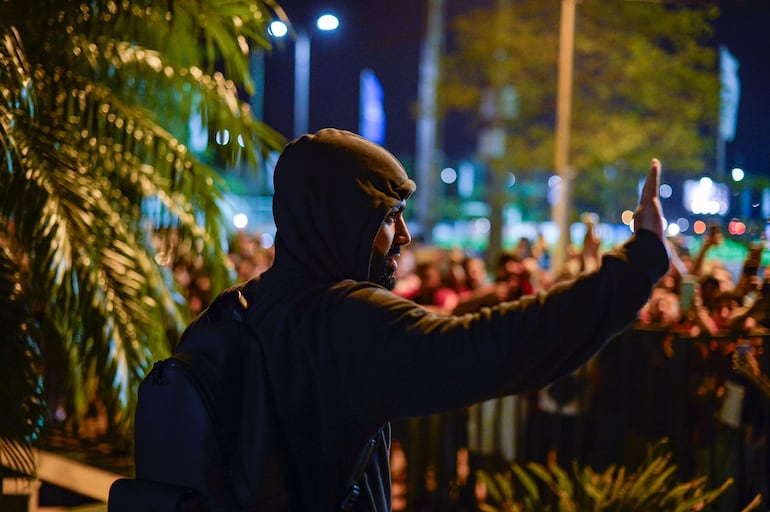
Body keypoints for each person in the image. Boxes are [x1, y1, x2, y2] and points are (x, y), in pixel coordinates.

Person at [232, 128, 668, 511]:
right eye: (388, 216)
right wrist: (640, 261)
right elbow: (493, 347)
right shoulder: (345, 321)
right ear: (342, 221)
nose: (403, 235)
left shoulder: (235, 313)